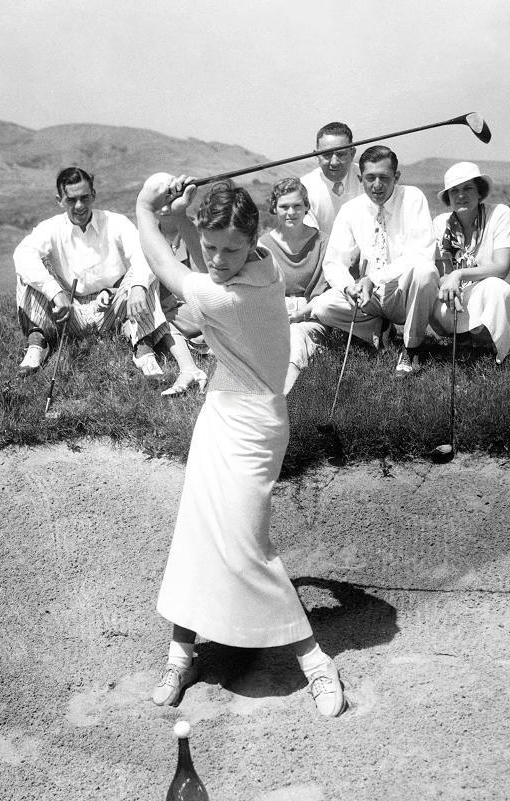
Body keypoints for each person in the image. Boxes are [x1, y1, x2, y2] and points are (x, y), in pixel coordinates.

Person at [135, 173, 348, 718]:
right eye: (209, 247)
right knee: (197, 534)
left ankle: (314, 660)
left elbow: (165, 265)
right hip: (217, 416)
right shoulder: (263, 264)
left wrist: (145, 205)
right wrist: (184, 213)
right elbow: (201, 240)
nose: (219, 259)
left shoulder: (229, 293)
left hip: (254, 425)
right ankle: (181, 653)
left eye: (232, 249)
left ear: (252, 244)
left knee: (247, 544)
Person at [13, 165, 169, 378]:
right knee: (27, 272)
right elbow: (22, 255)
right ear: (59, 200)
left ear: (93, 195)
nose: (79, 206)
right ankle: (38, 342)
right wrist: (56, 293)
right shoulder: (50, 228)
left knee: (141, 273)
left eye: (85, 198)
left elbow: (143, 254)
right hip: (70, 312)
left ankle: (142, 347)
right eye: (71, 200)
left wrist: (138, 287)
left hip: (113, 310)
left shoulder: (116, 222)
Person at [309, 145, 439, 376]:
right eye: (370, 178)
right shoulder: (351, 210)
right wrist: (349, 286)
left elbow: (421, 253)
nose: (377, 184)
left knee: (425, 272)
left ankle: (412, 349)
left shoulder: (412, 198)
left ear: (396, 177)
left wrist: (372, 278)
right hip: (371, 296)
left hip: (404, 292)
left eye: (384, 177)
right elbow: (334, 262)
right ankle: (380, 329)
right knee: (322, 305)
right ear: (360, 178)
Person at [431, 161, 510, 364]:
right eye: (454, 191)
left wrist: (458, 275)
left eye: (468, 188)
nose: (460, 195)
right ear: (448, 197)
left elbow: (501, 268)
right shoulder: (441, 223)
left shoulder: (499, 213)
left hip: (490, 296)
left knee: (495, 286)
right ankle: (464, 340)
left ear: (479, 192)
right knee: (430, 294)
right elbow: (442, 273)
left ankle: (492, 351)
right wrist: (449, 284)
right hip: (456, 299)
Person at [258, 178, 328, 394]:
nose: (291, 212)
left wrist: (301, 313)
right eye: (284, 206)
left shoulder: (323, 242)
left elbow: (327, 293)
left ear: (307, 207)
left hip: (311, 314)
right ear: (274, 208)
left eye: (297, 205)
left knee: (296, 336)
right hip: (274, 314)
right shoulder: (263, 245)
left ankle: (282, 396)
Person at [156, 206, 209, 397]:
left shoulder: (193, 232)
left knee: (160, 322)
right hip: (170, 310)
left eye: (170, 202)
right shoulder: (148, 238)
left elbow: (206, 276)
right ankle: (190, 368)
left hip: (200, 304)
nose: (164, 208)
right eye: (160, 202)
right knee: (159, 321)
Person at [300, 121, 362, 236]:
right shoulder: (304, 187)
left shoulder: (368, 179)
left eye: (341, 154)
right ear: (316, 155)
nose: (334, 162)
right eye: (327, 155)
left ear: (352, 153)